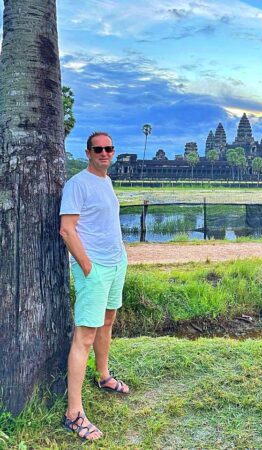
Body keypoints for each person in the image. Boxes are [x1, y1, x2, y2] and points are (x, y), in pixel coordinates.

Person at [59, 131, 129, 441]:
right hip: (95, 268)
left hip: (115, 263)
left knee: (108, 320)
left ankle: (103, 376)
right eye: (98, 149)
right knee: (85, 335)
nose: (104, 153)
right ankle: (74, 413)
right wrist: (87, 265)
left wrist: (120, 255)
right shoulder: (77, 184)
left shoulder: (106, 181)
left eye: (108, 148)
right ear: (88, 153)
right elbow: (67, 229)